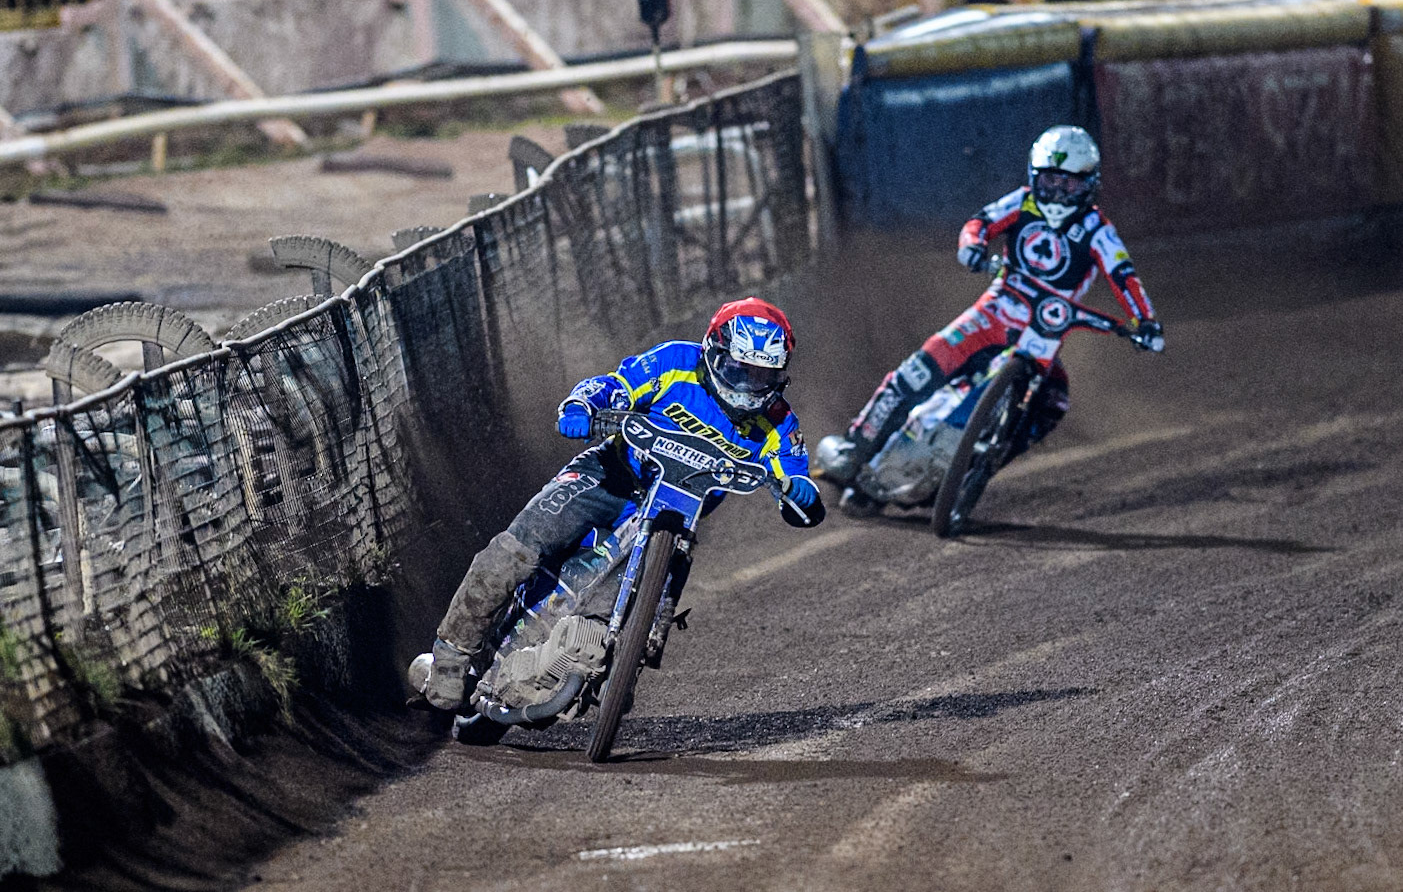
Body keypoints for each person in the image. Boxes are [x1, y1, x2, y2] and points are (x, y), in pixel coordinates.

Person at [419, 297, 826, 710]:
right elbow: (616, 384)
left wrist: (799, 489)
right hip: (609, 476)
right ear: (714, 352)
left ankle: (615, 669)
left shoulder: (778, 421)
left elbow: (794, 475)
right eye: (738, 370)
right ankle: (452, 654)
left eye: (760, 376)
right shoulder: (674, 361)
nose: (745, 387)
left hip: (676, 519)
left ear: (779, 376)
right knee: (522, 543)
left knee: (648, 630)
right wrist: (584, 405)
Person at [821, 125, 1165, 515]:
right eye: (1050, 181)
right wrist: (972, 248)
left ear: (1089, 185)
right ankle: (857, 444)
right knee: (919, 370)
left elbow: (1124, 277)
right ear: (1035, 177)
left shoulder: (1098, 230)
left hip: (1046, 328)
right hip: (995, 309)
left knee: (1051, 404)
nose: (1057, 193)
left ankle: (969, 470)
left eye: (1069, 185)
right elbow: (978, 224)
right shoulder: (1022, 203)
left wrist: (1145, 321)